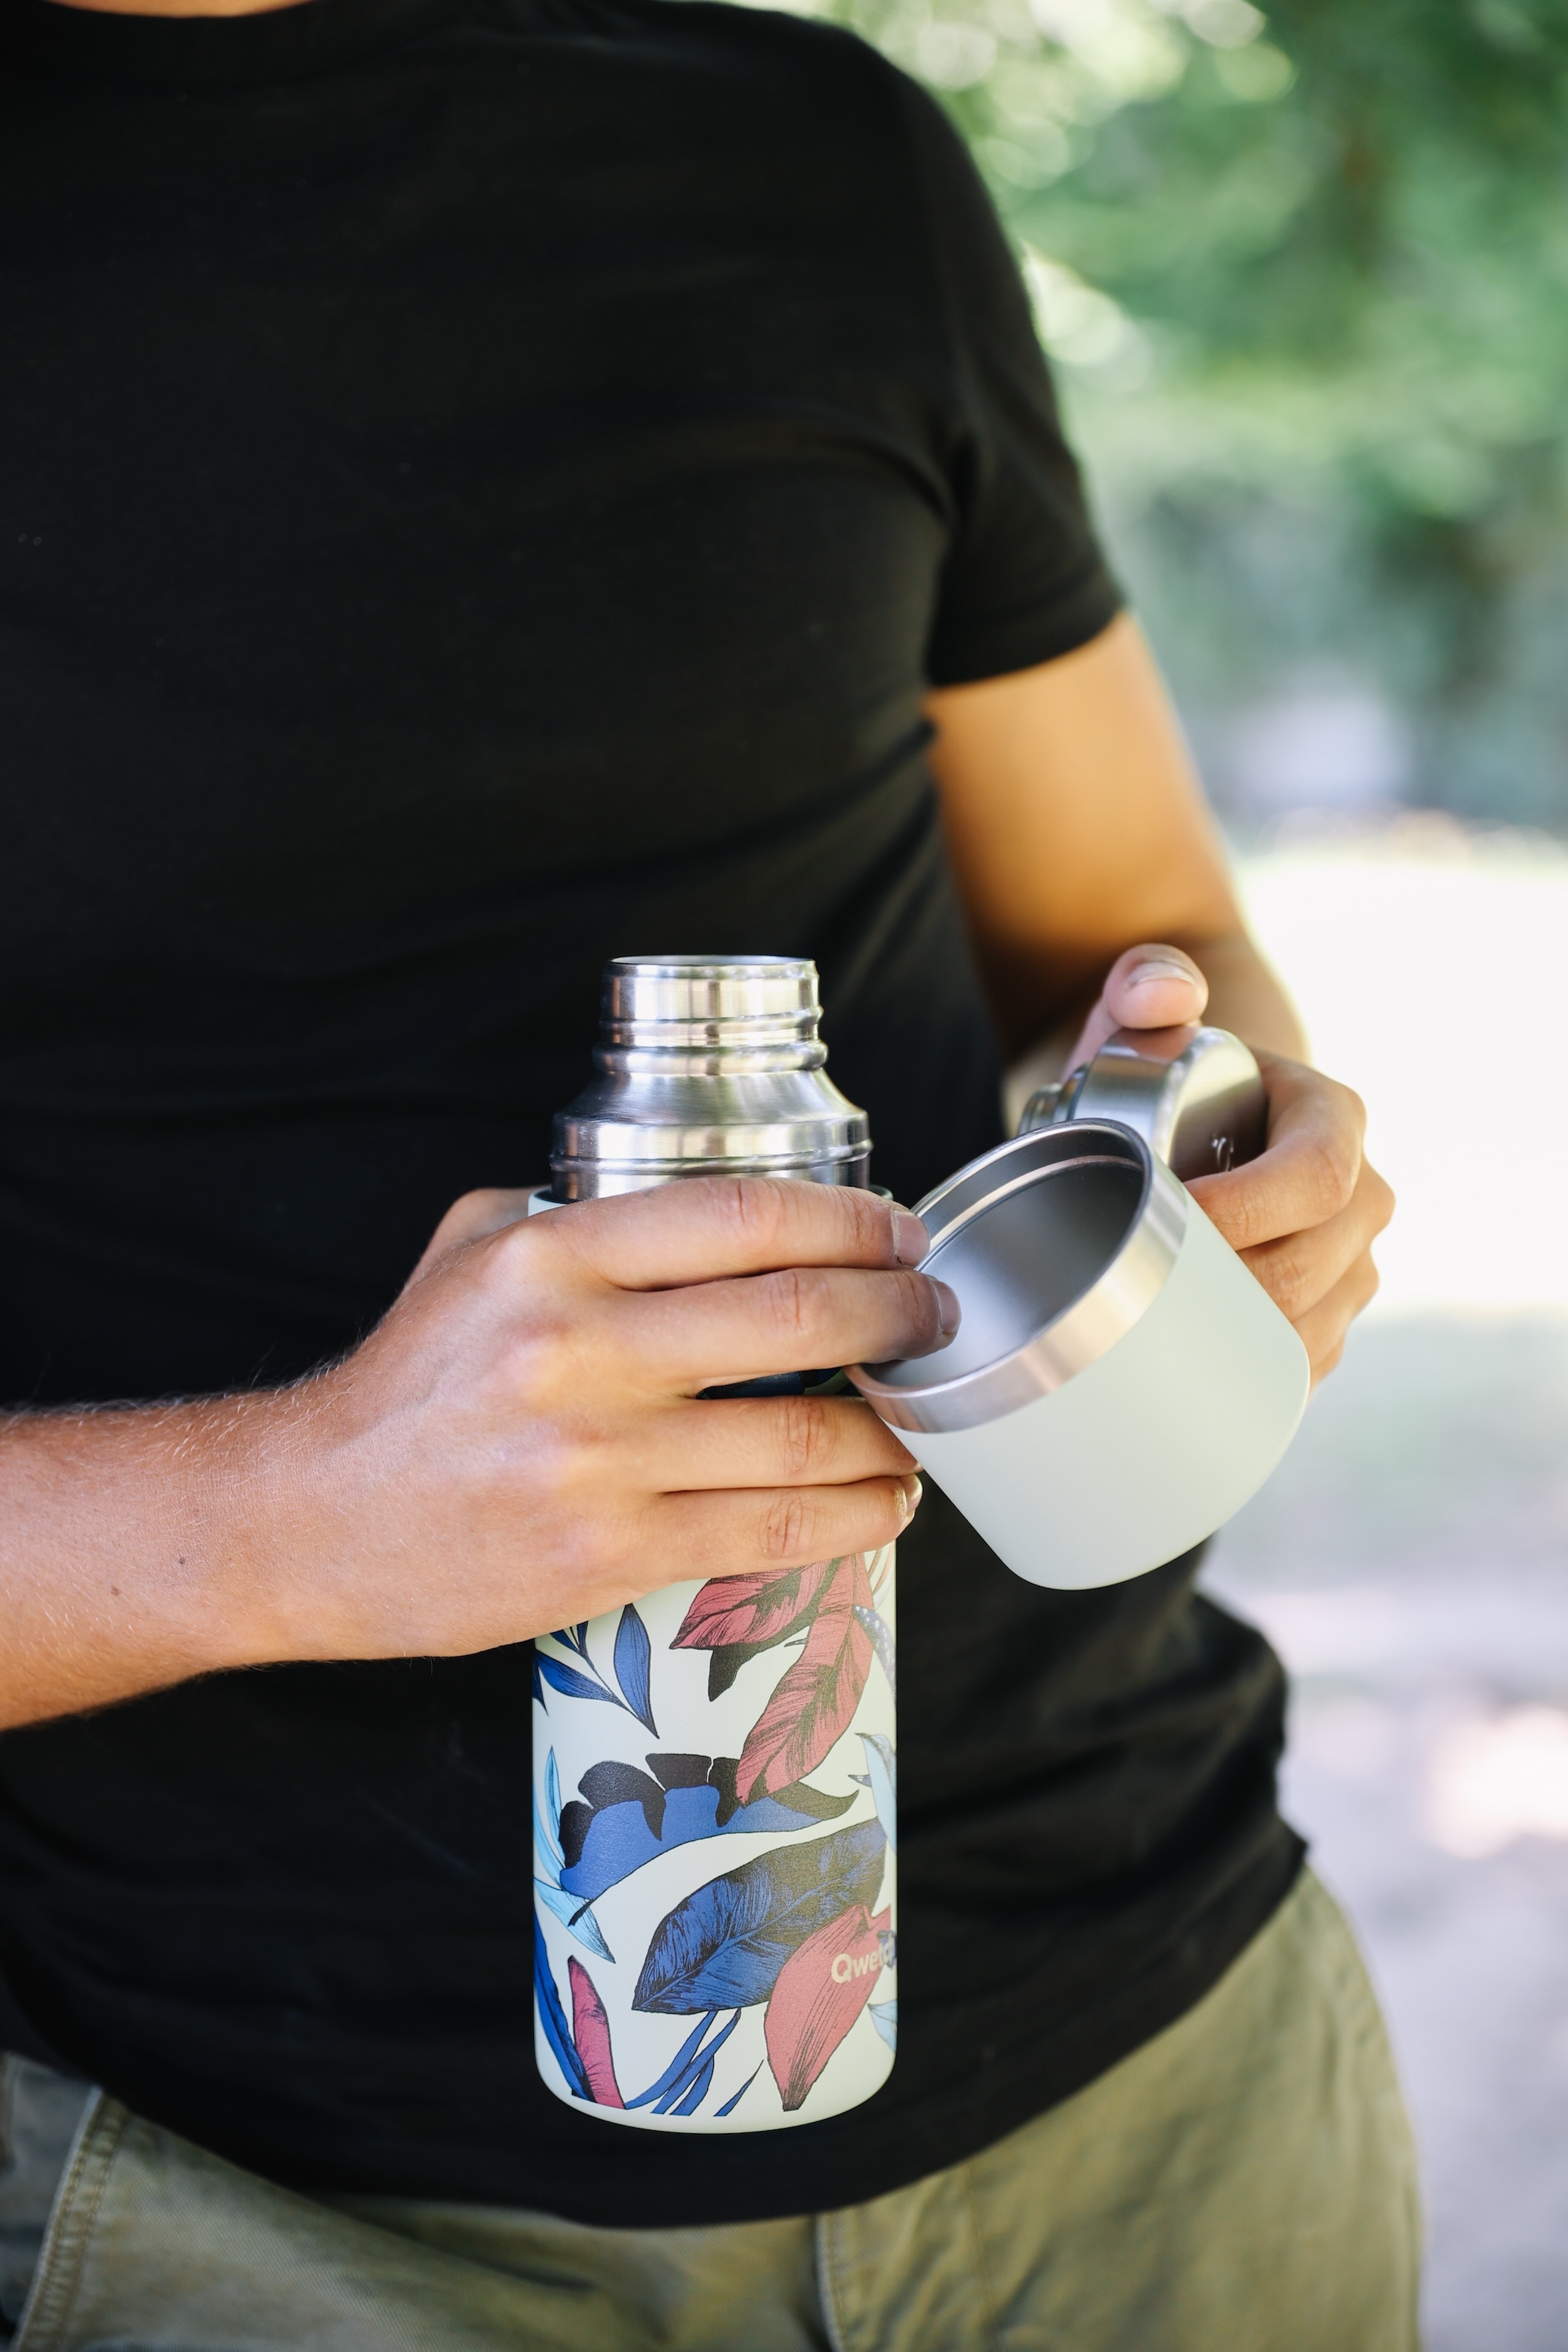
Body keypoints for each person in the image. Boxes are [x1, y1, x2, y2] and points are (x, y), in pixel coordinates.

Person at [0, 0, 1412, 2342]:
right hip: (270, 2208)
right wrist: (292, 1509)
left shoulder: (814, 155)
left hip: (1163, 2078)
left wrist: (1216, 1132)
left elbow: (1138, 938)